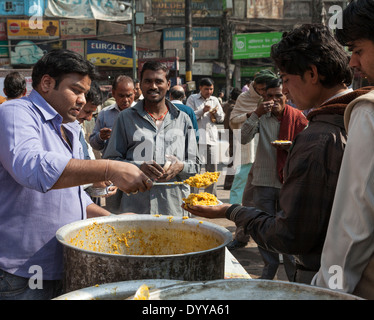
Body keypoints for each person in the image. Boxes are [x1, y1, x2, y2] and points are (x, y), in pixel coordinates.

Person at [182, 24, 369, 285]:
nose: (285, 90)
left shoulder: (318, 136)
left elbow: (289, 235)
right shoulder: (362, 116)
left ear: (312, 73)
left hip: (328, 276)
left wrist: (231, 210)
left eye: (285, 79)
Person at [0, 49, 152, 300]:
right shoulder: (16, 112)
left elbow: (74, 199)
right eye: (76, 90)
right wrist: (109, 168)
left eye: (84, 92)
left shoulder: (68, 127)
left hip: (65, 263)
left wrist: (114, 221)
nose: (82, 100)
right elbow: (32, 167)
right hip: (21, 272)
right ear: (47, 83)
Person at [312, 0, 374, 299]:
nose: (353, 62)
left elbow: (354, 226)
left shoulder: (368, 112)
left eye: (358, 49)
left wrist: (328, 290)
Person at [103, 61, 200, 216]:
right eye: (148, 81)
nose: (153, 86)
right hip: (135, 209)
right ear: (140, 85)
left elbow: (196, 165)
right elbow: (110, 162)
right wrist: (137, 166)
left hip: (174, 208)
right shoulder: (125, 118)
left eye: (159, 81)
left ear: (168, 85)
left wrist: (181, 167)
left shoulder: (183, 120)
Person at [237, 78, 308, 280]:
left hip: (289, 183)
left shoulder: (298, 117)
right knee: (263, 227)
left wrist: (291, 147)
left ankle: (292, 276)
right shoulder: (261, 117)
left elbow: (308, 147)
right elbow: (243, 138)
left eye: (278, 95)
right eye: (269, 96)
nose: (274, 100)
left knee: (287, 229)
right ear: (263, 98)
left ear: (286, 96)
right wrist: (257, 113)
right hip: (263, 182)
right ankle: (269, 267)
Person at [186, 78, 224, 196]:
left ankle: (210, 196)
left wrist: (215, 113)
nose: (209, 91)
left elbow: (221, 118)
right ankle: (194, 196)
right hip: (196, 140)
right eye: (206, 89)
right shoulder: (192, 99)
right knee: (195, 169)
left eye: (211, 89)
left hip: (211, 139)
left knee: (212, 170)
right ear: (200, 88)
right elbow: (188, 116)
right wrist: (202, 111)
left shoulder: (215, 100)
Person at [89, 75, 136, 155]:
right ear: (113, 93)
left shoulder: (142, 113)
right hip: (111, 163)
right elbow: (94, 144)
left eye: (129, 95)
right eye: (121, 96)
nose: (125, 100)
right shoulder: (104, 114)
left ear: (134, 93)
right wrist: (100, 137)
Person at [222, 87, 242, 191]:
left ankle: (229, 183)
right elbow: (232, 123)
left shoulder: (227, 105)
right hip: (233, 135)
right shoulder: (232, 107)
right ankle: (229, 183)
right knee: (233, 160)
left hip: (230, 134)